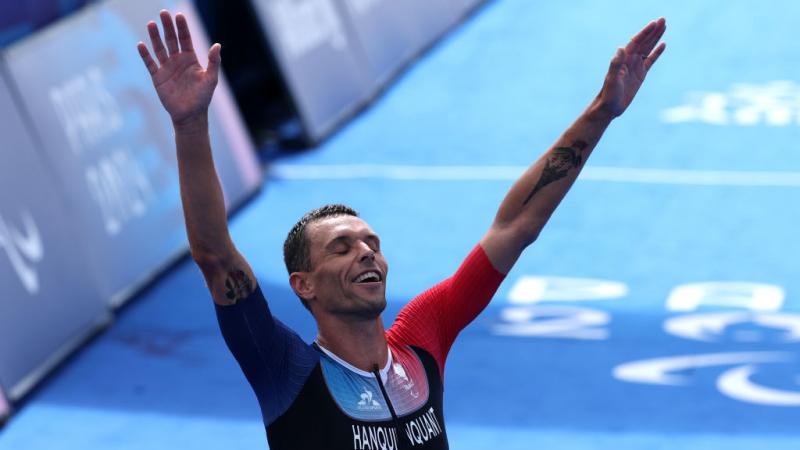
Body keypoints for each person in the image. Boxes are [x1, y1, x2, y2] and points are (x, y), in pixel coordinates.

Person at [138, 10, 666, 450]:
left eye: (372, 243)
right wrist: (189, 125)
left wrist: (602, 112)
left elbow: (516, 226)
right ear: (304, 284)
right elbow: (215, 255)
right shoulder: (286, 368)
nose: (366, 254)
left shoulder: (421, 339)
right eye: (341, 248)